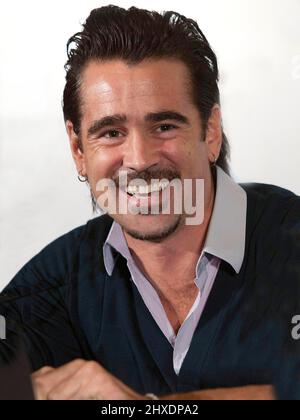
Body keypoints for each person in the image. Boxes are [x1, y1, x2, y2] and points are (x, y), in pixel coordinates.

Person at [1, 5, 300, 400]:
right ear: (78, 149)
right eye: (111, 132)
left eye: (164, 126)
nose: (140, 160)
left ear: (210, 132)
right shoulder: (50, 288)